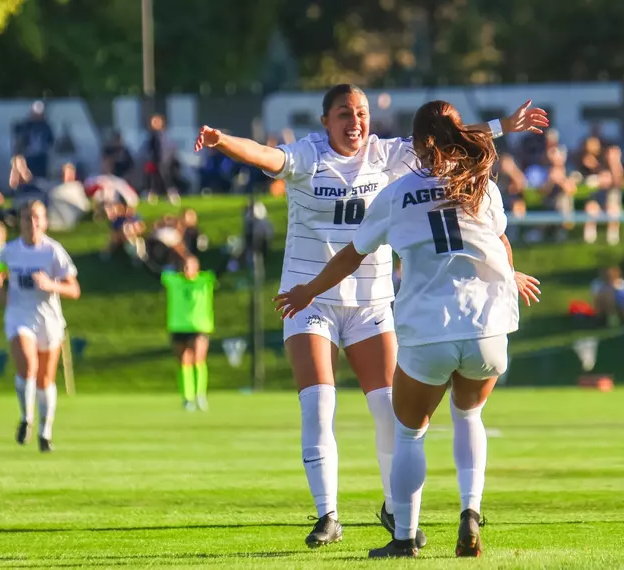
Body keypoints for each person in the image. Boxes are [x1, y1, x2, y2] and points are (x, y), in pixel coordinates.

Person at [194, 84, 548, 548]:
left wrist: (503, 125)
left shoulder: (391, 157)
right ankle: (328, 514)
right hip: (312, 300)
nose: (355, 121)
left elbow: (449, 133)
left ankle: (396, 511)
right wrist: (223, 141)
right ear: (326, 121)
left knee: (390, 413)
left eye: (361, 112)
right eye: (344, 113)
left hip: (372, 301)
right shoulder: (307, 155)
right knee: (319, 404)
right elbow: (264, 155)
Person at [0, 200, 80, 453]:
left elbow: (74, 289)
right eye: (28, 218)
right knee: (27, 366)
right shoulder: (10, 251)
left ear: (45, 221)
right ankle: (26, 419)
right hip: (19, 315)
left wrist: (52, 285)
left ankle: (45, 432)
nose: (32, 223)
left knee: (45, 379)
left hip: (49, 319)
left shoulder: (53, 251)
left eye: (37, 217)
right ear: (20, 222)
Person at [161, 255, 217, 411]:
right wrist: (142, 255)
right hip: (179, 326)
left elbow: (222, 270)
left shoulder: (204, 280)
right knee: (184, 361)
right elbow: (153, 272)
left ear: (197, 268)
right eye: (184, 266)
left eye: (189, 266)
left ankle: (200, 394)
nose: (186, 270)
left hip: (199, 326)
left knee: (199, 358)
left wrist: (232, 254)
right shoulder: (175, 281)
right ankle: (188, 397)